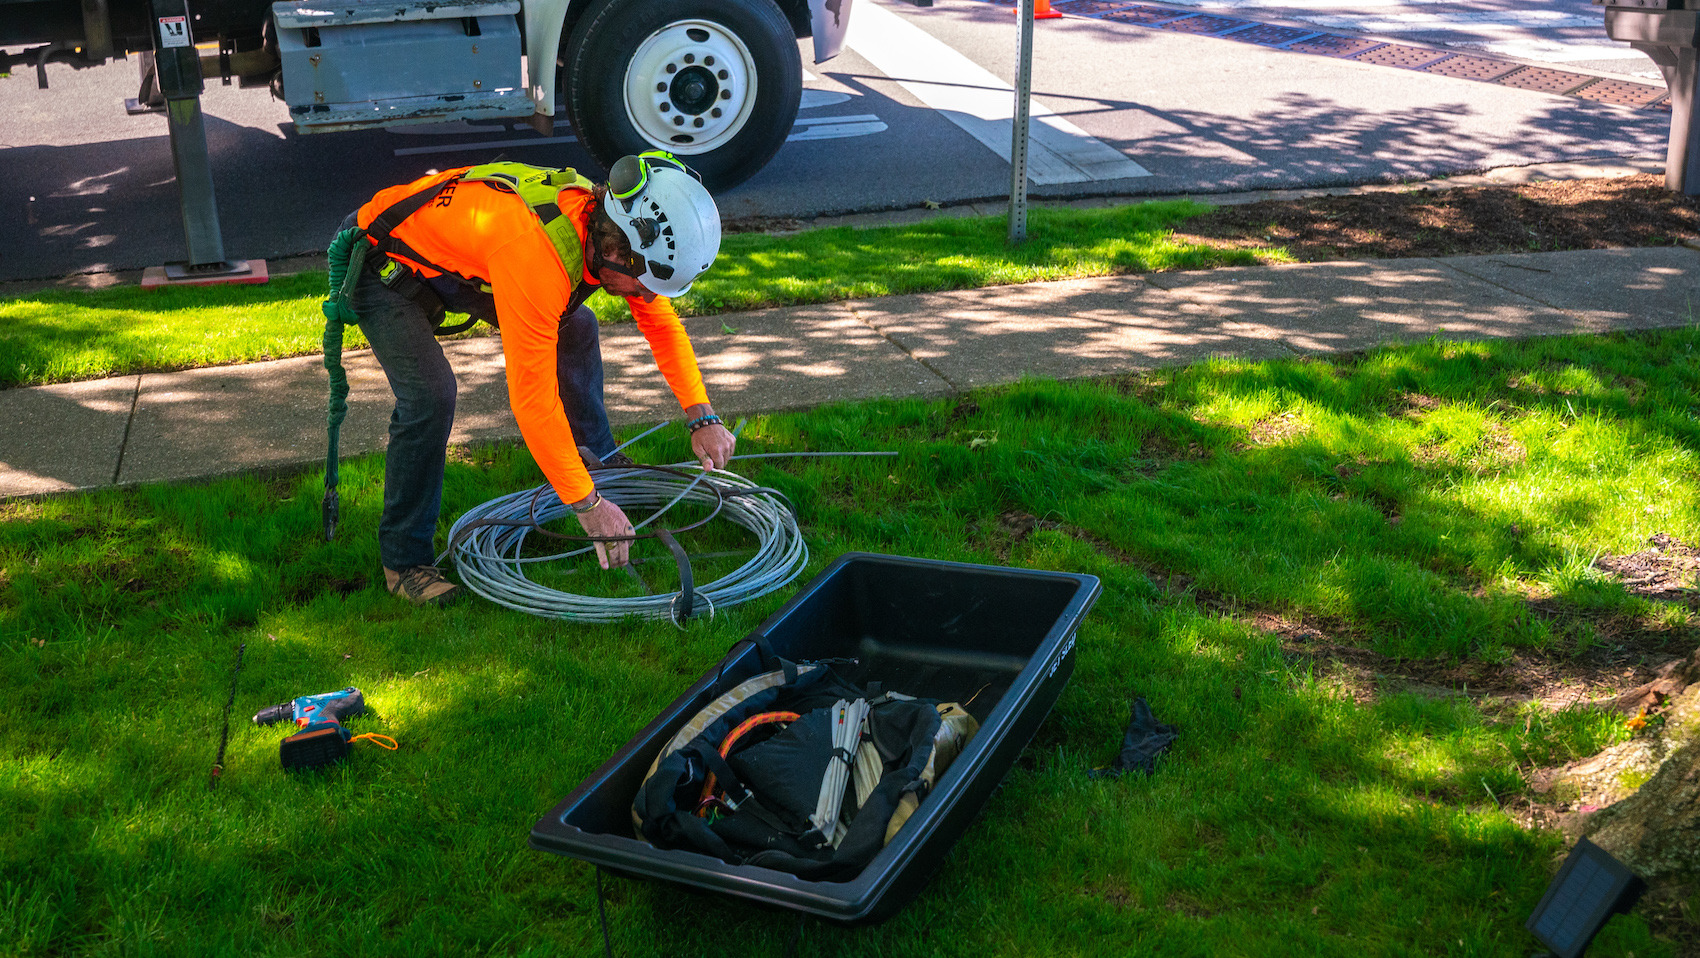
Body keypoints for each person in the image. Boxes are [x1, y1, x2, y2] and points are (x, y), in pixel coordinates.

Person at [328, 152, 736, 606]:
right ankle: (405, 563)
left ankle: (599, 464)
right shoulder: (537, 257)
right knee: (430, 394)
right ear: (615, 250)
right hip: (382, 261)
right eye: (642, 285)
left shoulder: (608, 228)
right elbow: (533, 403)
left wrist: (703, 417)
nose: (645, 297)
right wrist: (588, 509)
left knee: (578, 328)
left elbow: (660, 324)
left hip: (458, 262)